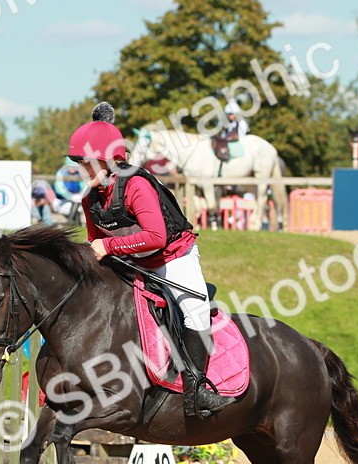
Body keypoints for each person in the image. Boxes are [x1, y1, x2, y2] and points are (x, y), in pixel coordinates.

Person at [67, 101, 234, 418]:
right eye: (78, 163)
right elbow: (95, 243)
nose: (81, 170)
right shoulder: (91, 199)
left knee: (195, 311)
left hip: (173, 257)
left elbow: (155, 237)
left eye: (86, 163)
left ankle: (197, 390)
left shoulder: (137, 185)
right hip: (133, 261)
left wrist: (108, 246)